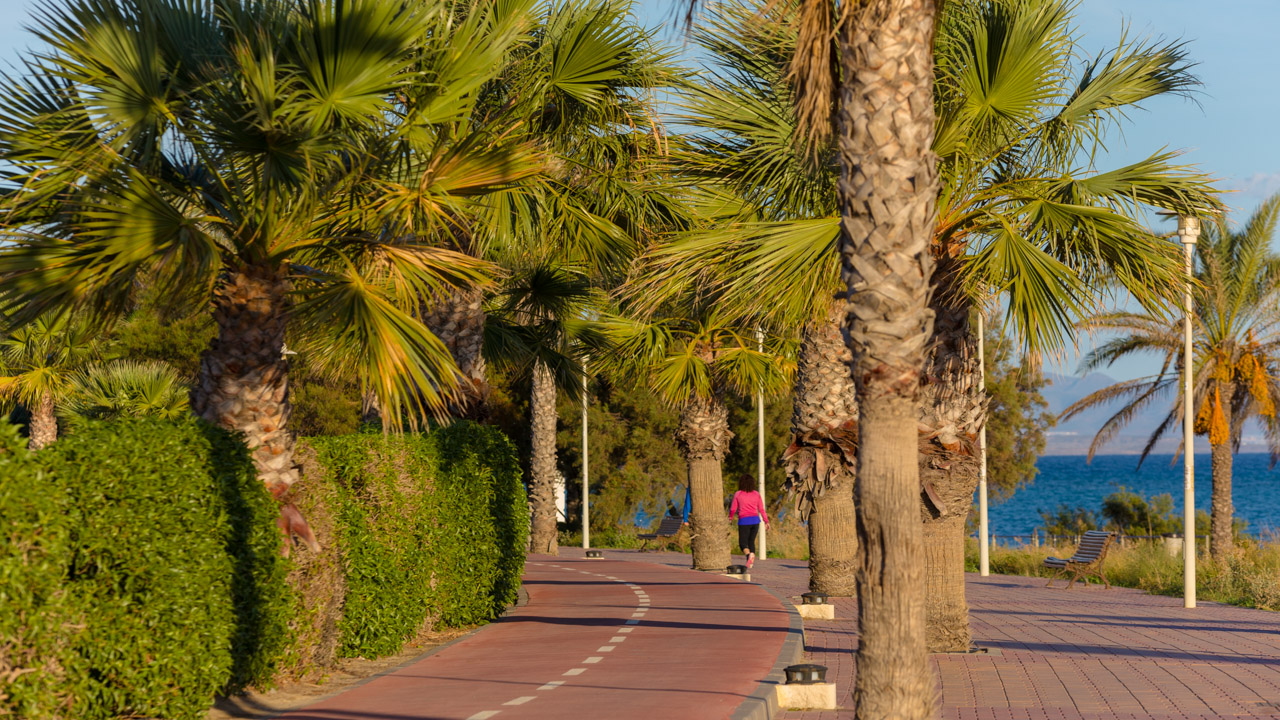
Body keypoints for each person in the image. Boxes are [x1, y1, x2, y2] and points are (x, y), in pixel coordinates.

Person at [728, 474, 768, 568]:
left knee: (742, 543)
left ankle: (748, 555)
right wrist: (766, 521)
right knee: (751, 542)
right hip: (755, 521)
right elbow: (761, 509)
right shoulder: (756, 494)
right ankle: (751, 562)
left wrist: (730, 518)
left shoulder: (738, 494)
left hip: (744, 521)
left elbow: (733, 509)